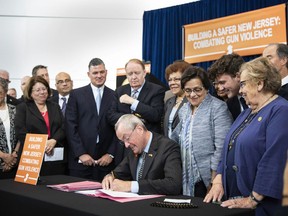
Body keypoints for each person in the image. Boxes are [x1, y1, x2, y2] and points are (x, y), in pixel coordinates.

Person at [204, 57, 288, 216]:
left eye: (243, 84)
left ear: (260, 83)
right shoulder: (246, 113)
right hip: (237, 203)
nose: (240, 90)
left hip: (264, 207)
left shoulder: (281, 110)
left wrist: (253, 199)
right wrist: (218, 179)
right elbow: (228, 147)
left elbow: (275, 159)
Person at [171, 66, 233, 197]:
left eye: (197, 90)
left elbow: (222, 147)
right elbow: (175, 138)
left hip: (209, 179)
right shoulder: (184, 110)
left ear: (206, 88)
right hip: (186, 176)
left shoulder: (218, 108)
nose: (192, 95)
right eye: (188, 90)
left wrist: (213, 178)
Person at [102, 114, 182, 195]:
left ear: (139, 129)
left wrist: (131, 186)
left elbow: (173, 184)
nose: (126, 145)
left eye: (127, 138)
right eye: (123, 142)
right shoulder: (134, 148)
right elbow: (118, 172)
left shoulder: (168, 147)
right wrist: (109, 176)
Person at [65, 58, 117, 181]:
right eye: (95, 73)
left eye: (101, 72)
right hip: (80, 162)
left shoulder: (115, 95)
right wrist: (81, 153)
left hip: (106, 163)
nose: (99, 76)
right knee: (78, 199)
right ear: (88, 74)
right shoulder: (76, 94)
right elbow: (70, 125)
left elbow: (119, 128)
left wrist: (111, 153)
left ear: (106, 72)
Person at [15, 76, 66, 176]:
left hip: (54, 156)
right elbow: (20, 132)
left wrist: (54, 140)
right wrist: (42, 143)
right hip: (32, 158)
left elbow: (63, 127)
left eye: (44, 89)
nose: (42, 92)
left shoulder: (54, 106)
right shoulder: (23, 107)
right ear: (30, 93)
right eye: (37, 90)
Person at [107, 58, 165, 134]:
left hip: (147, 139)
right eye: (130, 74)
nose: (133, 77)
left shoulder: (156, 90)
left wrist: (133, 102)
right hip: (124, 141)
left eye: (137, 73)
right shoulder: (119, 91)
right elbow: (111, 116)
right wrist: (132, 119)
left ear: (144, 73)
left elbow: (155, 115)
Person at [207, 53, 246, 120]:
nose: (220, 88)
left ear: (238, 76)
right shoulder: (229, 104)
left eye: (222, 82)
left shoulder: (258, 96)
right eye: (216, 83)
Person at [163, 61, 190, 138]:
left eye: (176, 79)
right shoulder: (169, 101)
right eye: (170, 80)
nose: (172, 83)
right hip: (170, 147)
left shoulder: (192, 101)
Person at [0, 78, 20, 179]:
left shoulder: (15, 109)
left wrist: (14, 155)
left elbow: (21, 134)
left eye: (0, 92)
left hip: (15, 162)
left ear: (5, 92)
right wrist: (4, 156)